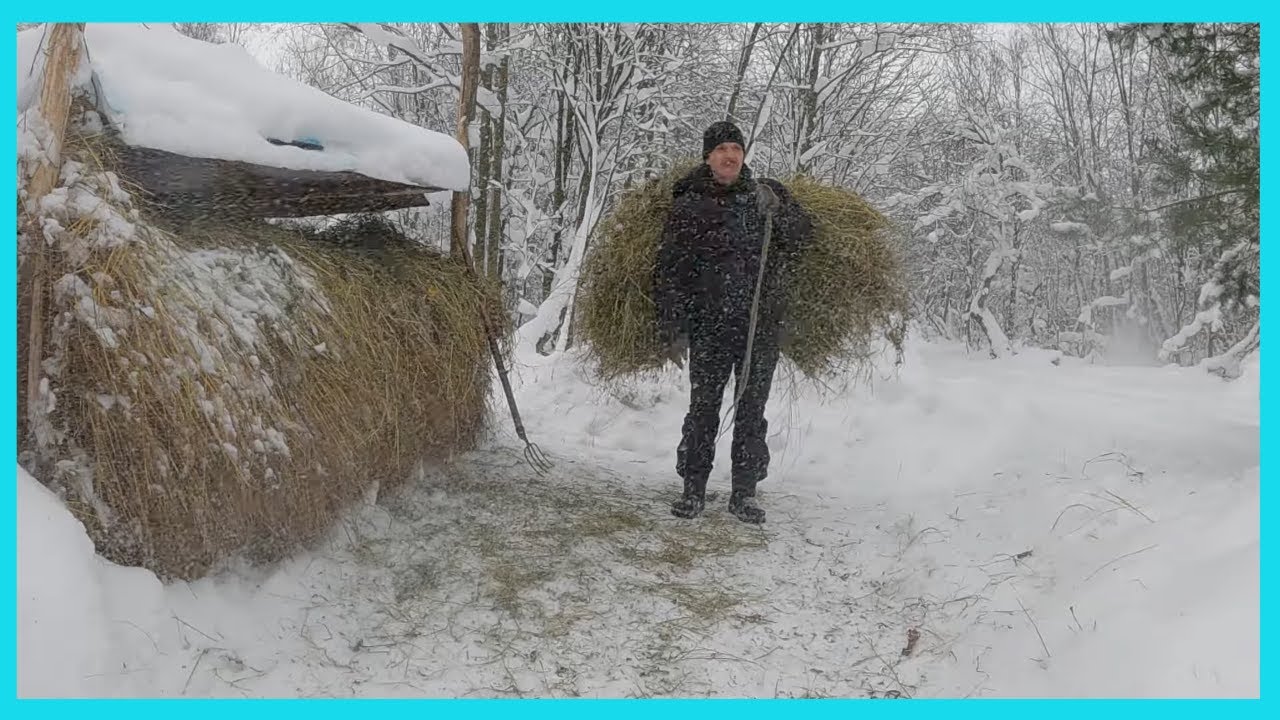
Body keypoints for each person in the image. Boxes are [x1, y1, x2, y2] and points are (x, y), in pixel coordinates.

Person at [652, 120, 813, 524]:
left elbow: (802, 237)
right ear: (708, 157)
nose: (729, 156)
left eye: (736, 149)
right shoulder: (690, 203)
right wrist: (672, 326)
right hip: (710, 326)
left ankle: (744, 492)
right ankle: (693, 488)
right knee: (703, 407)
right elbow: (670, 270)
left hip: (759, 325)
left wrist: (782, 209)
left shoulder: (763, 198)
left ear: (743, 156)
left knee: (750, 408)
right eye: (721, 149)